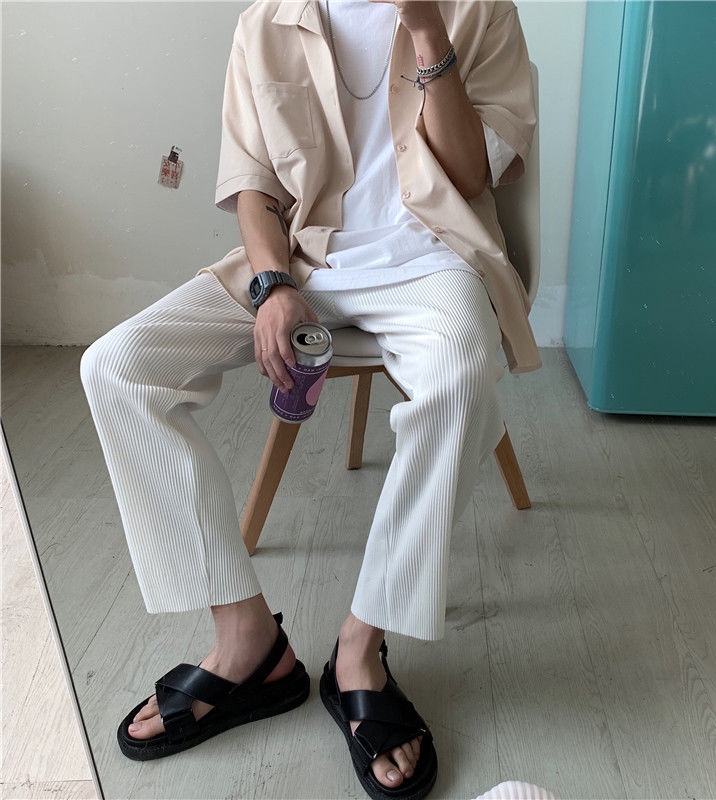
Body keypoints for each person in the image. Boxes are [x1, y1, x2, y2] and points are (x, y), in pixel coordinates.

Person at [79, 1, 540, 798]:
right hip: (303, 260)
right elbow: (253, 186)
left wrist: (427, 29)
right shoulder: (265, 21)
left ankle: (361, 648)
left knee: (462, 372)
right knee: (117, 367)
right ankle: (247, 639)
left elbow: (472, 177)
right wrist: (271, 284)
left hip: (431, 260)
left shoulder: (478, 9)